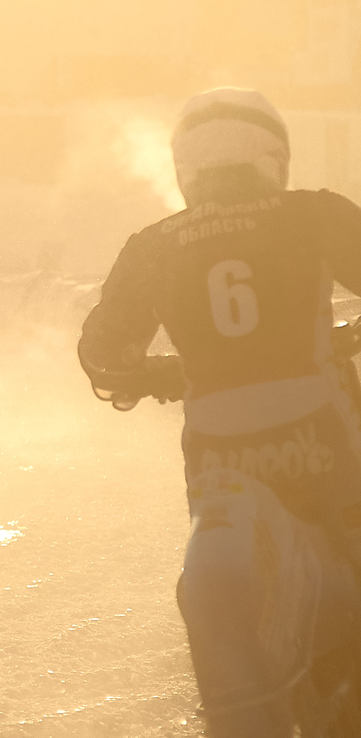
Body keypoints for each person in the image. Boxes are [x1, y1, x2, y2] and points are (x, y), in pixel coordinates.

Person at [78, 88, 361, 727]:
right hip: (324, 454)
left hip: (221, 468)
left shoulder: (152, 244)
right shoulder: (311, 214)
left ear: (186, 167)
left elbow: (104, 357)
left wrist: (162, 374)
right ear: (273, 157)